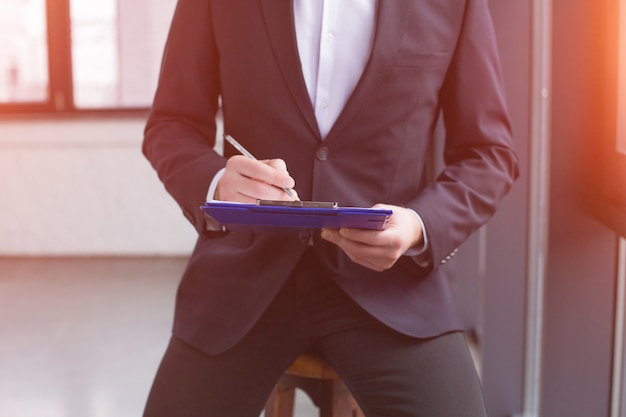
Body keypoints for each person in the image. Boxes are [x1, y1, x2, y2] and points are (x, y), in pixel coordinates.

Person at [141, 0, 519, 416]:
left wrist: (418, 225)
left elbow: (489, 154)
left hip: (391, 291)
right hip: (244, 280)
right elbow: (171, 124)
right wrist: (215, 183)